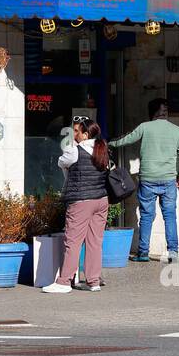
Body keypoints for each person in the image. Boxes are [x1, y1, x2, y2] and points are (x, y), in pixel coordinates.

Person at [110, 98, 179, 263]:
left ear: (152, 111)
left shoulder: (145, 127)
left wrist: (110, 143)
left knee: (146, 216)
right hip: (169, 180)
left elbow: (127, 139)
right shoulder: (176, 130)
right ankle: (173, 253)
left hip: (148, 179)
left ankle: (143, 253)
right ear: (165, 112)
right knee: (170, 216)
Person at [44, 118, 110, 294]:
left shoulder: (75, 151)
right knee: (95, 242)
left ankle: (64, 281)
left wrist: (72, 145)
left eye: (76, 132)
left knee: (72, 242)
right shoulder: (103, 149)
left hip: (81, 200)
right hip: (101, 200)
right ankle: (93, 281)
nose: (73, 134)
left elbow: (60, 162)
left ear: (85, 134)